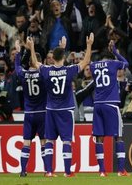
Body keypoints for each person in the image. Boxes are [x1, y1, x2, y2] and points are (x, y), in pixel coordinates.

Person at [29, 34, 94, 177]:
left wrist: (32, 47)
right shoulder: (69, 70)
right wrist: (89, 45)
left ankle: (49, 171)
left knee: (50, 140)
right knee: (66, 141)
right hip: (66, 110)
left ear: (52, 58)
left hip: (51, 109)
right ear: (64, 57)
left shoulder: (46, 70)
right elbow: (86, 61)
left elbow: (34, 62)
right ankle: (67, 171)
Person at [89, 41, 130, 177]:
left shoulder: (93, 66)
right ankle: (120, 170)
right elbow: (126, 64)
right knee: (118, 137)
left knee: (99, 138)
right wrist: (116, 52)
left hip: (98, 104)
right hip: (111, 104)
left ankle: (102, 171)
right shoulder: (113, 63)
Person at [13, 40, 48, 177]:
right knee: (43, 142)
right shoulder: (43, 74)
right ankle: (47, 170)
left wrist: (18, 51)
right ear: (39, 63)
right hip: (42, 113)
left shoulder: (23, 74)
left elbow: (17, 67)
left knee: (26, 142)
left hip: (28, 113)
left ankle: (23, 170)